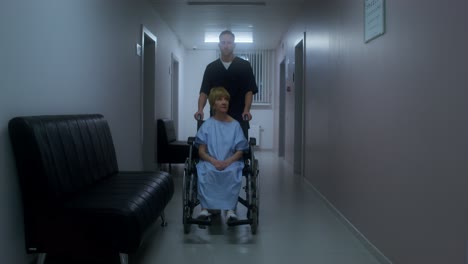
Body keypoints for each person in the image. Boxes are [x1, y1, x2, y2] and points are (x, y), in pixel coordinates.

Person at [194, 87, 249, 222]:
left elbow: (240, 150)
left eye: (226, 99)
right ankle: (205, 209)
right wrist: (214, 161)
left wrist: (227, 162)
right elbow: (201, 151)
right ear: (213, 104)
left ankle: (230, 210)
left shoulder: (235, 125)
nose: (224, 102)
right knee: (206, 171)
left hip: (231, 161)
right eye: (219, 99)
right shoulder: (207, 125)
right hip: (210, 161)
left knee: (231, 172)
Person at [194, 30, 258, 138]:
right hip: (216, 117)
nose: (226, 46)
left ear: (234, 45)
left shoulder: (244, 66)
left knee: (238, 148)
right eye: (223, 43)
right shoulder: (211, 68)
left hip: (238, 117)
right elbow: (204, 92)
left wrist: (247, 110)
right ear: (219, 45)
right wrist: (200, 109)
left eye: (229, 42)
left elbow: (249, 91)